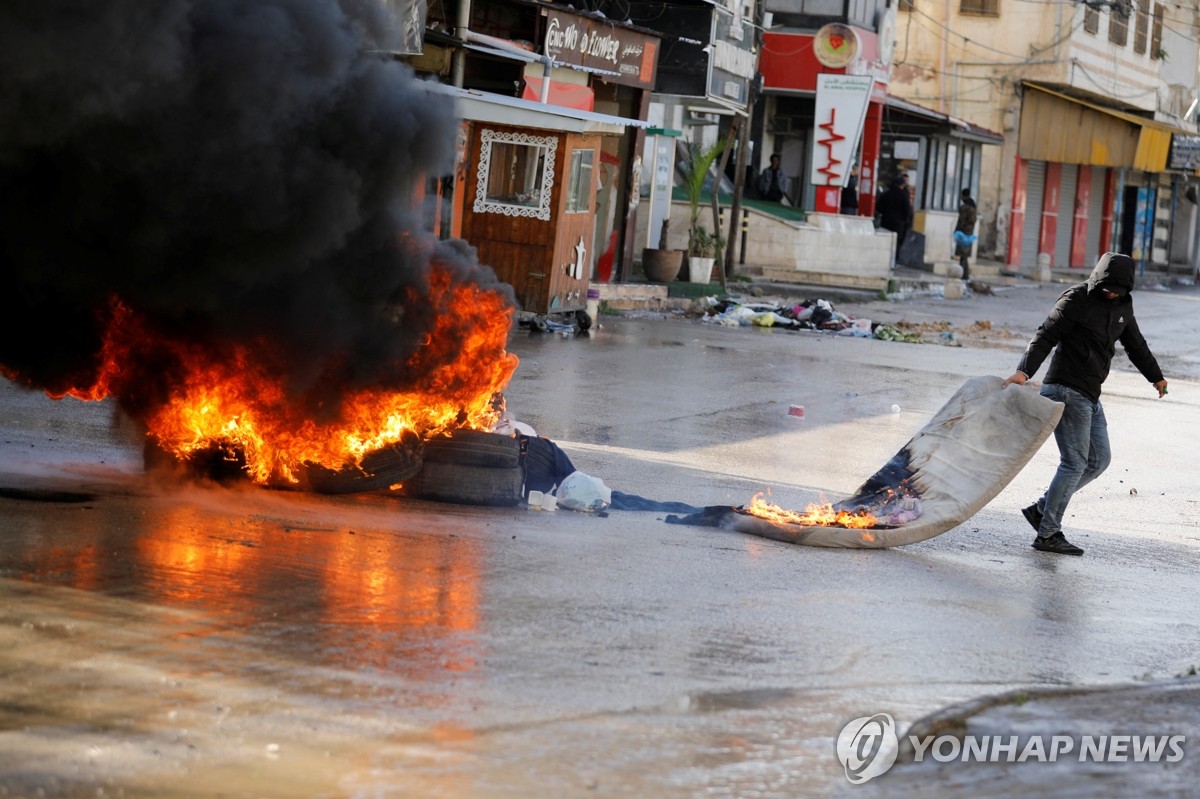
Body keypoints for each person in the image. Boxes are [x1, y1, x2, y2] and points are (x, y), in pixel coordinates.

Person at [1002, 252, 1168, 556]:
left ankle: (1042, 509)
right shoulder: (1076, 299)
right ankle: (1048, 533)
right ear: (1098, 279)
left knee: (1099, 460)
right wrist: (1024, 371)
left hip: (1090, 393)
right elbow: (1046, 334)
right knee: (1075, 462)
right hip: (1064, 388)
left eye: (1118, 289)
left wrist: (1155, 377)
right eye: (1108, 287)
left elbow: (1136, 345)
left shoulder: (1123, 306)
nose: (1112, 293)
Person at [877, 175, 913, 261]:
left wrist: (885, 213)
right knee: (896, 242)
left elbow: (878, 207)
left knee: (886, 240)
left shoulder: (886, 194)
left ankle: (883, 259)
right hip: (899, 223)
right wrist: (906, 220)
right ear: (901, 184)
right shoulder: (903, 195)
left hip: (886, 221)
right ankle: (894, 260)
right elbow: (907, 209)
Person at [954, 188, 978, 280]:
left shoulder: (965, 208)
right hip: (969, 233)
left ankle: (963, 274)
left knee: (962, 255)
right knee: (964, 255)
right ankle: (965, 274)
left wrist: (957, 231)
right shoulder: (973, 207)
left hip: (963, 233)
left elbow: (961, 221)